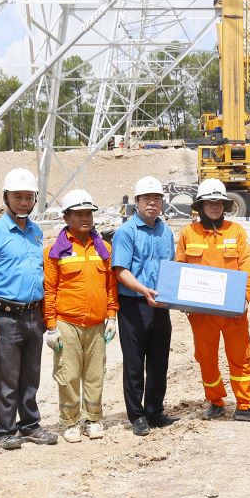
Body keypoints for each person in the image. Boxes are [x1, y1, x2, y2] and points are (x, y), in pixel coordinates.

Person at [175, 179, 250, 423]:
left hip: (233, 311)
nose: (215, 206)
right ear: (201, 205)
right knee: (205, 357)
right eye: (210, 202)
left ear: (225, 205)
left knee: (241, 357)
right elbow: (180, 268)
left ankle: (244, 406)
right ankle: (215, 402)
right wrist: (182, 299)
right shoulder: (187, 233)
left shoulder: (236, 231)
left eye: (219, 202)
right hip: (201, 313)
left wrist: (247, 297)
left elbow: (249, 266)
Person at [0, 168, 57, 450]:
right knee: (7, 376)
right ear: (6, 198)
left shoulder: (36, 232)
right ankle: (5, 429)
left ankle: (30, 425)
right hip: (5, 315)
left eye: (28, 197)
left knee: (31, 374)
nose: (23, 202)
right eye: (18, 197)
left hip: (33, 313)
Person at [43, 189, 119, 442]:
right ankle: (71, 421)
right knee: (68, 375)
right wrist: (51, 327)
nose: (85, 218)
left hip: (97, 324)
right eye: (79, 214)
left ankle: (93, 419)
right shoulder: (55, 250)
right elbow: (50, 289)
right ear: (66, 217)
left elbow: (110, 286)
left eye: (89, 213)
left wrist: (112, 316)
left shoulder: (103, 248)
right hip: (67, 324)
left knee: (95, 375)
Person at [111, 176, 178, 436]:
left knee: (159, 360)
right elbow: (121, 270)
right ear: (136, 202)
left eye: (157, 198)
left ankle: (155, 410)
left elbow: (170, 267)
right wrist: (143, 290)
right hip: (134, 304)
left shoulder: (166, 231)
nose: (152, 202)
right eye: (146, 198)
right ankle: (137, 415)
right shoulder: (126, 232)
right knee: (135, 362)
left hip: (160, 304)